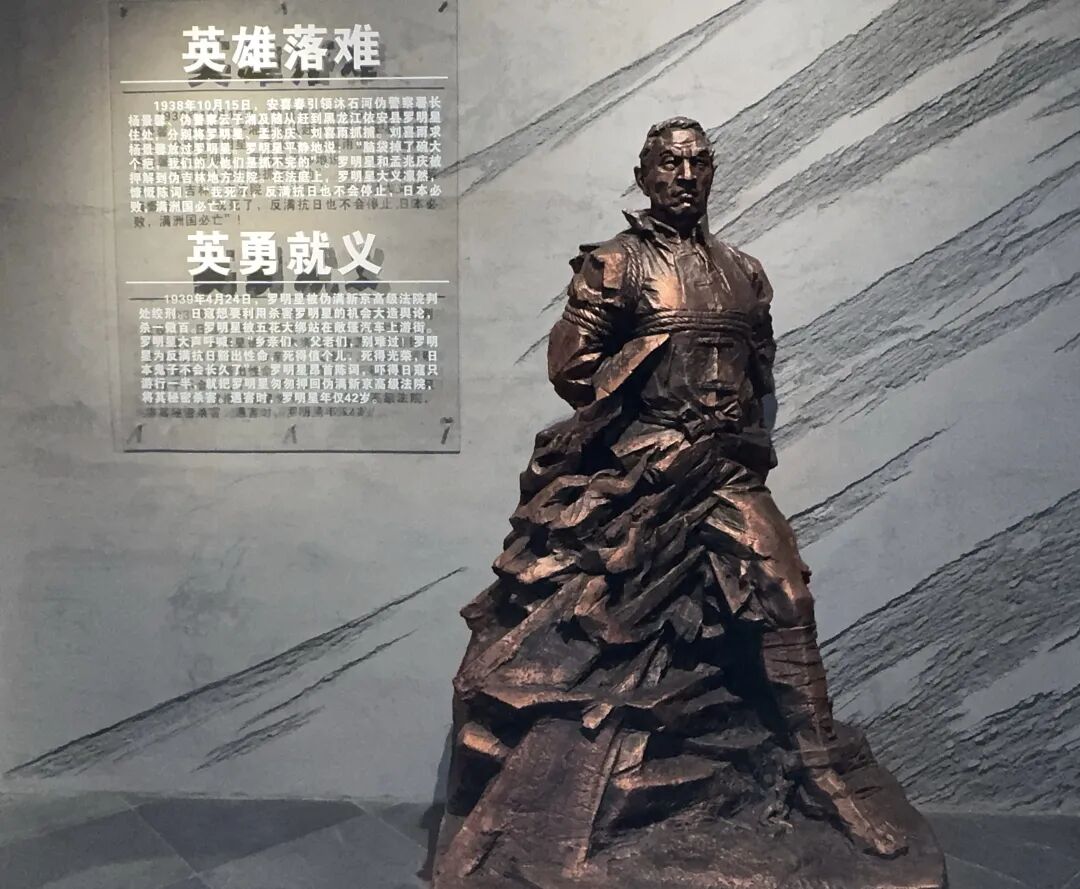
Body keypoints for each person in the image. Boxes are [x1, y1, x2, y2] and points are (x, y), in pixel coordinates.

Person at [434, 117, 908, 888]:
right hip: (646, 465)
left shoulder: (744, 271)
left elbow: (758, 370)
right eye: (669, 163)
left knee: (788, 594)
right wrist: (648, 401)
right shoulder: (616, 265)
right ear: (645, 174)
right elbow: (571, 368)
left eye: (697, 164)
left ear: (711, 172)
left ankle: (823, 774)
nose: (685, 177)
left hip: (726, 471)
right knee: (595, 609)